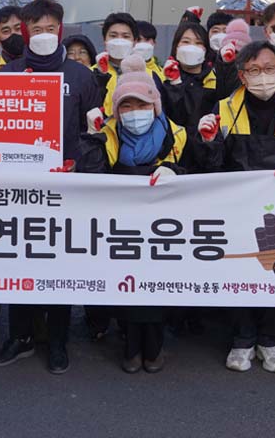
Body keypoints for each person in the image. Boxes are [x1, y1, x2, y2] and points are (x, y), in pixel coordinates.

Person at [0, 0, 102, 375]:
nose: (43, 35)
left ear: (61, 30)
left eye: (50, 28)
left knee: (60, 264)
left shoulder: (81, 76)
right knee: (19, 262)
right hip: (19, 188)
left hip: (66, 188)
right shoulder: (8, 73)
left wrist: (78, 162)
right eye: (36, 29)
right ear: (25, 32)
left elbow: (93, 133)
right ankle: (20, 336)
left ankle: (57, 340)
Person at [194, 40, 275, 373]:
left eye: (270, 68)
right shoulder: (223, 109)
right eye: (254, 70)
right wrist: (208, 142)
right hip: (237, 208)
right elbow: (211, 167)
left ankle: (270, 339)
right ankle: (243, 338)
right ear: (242, 75)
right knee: (240, 271)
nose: (263, 76)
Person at [78, 54, 189, 373]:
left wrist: (174, 170)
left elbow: (201, 172)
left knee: (156, 288)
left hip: (164, 228)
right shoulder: (108, 134)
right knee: (127, 287)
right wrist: (92, 138)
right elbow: (91, 177)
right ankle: (130, 347)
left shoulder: (176, 135)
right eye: (126, 106)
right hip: (122, 229)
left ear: (155, 106)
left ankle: (153, 348)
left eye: (141, 104)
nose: (134, 112)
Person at [162, 20, 238, 127]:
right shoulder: (165, 78)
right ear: (176, 47)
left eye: (198, 43)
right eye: (186, 42)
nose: (192, 47)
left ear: (206, 49)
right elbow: (175, 117)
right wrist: (175, 84)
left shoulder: (215, 79)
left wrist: (227, 65)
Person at [94, 11, 166, 117]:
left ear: (135, 41)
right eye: (113, 36)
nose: (119, 41)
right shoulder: (92, 73)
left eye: (125, 36)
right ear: (105, 40)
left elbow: (160, 113)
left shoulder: (149, 75)